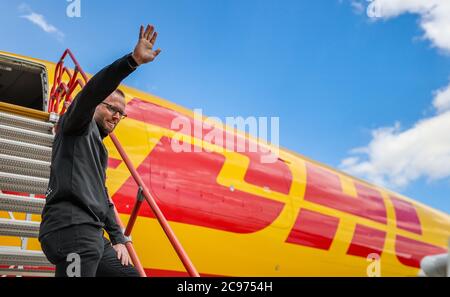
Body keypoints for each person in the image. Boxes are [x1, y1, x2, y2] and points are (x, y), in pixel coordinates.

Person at [39, 24, 161, 277]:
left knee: (129, 275)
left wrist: (120, 238)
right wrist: (132, 61)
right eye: (111, 108)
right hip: (72, 230)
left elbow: (103, 199)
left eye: (121, 113)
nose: (116, 115)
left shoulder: (98, 148)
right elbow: (92, 92)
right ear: (96, 106)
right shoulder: (77, 124)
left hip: (93, 234)